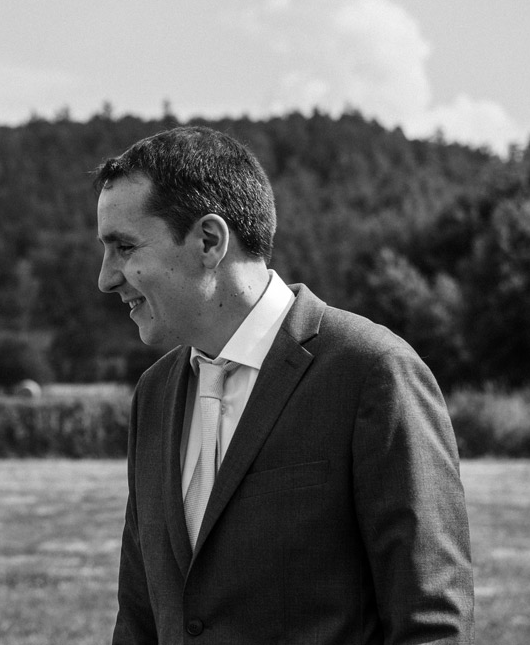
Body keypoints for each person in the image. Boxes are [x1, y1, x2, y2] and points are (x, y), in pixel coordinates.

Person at [95, 126, 473, 645]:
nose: (106, 278)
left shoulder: (372, 372)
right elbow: (138, 620)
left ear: (209, 241)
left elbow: (431, 625)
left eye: (124, 247)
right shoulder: (154, 394)